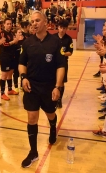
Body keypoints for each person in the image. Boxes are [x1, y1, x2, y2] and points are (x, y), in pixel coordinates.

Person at [19, 10, 65, 168]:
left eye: (37, 20)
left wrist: (58, 87)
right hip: (31, 86)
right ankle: (33, 152)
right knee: (32, 118)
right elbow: (21, 63)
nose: (34, 24)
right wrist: (23, 77)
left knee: (50, 114)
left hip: (48, 87)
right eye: (32, 21)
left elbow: (61, 66)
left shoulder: (55, 42)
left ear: (45, 22)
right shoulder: (27, 42)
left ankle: (53, 126)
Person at [53, 20, 73, 108]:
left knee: (60, 82)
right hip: (52, 64)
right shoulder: (52, 38)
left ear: (66, 29)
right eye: (61, 28)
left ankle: (59, 100)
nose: (62, 30)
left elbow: (70, 52)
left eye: (64, 28)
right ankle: (53, 98)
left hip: (63, 63)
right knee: (52, 81)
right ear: (58, 27)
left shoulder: (69, 39)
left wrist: (62, 54)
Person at [0, 18, 20, 100]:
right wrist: (13, 42)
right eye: (7, 23)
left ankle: (10, 89)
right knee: (4, 75)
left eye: (10, 23)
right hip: (5, 57)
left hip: (12, 56)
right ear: (4, 24)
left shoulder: (12, 33)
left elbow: (14, 42)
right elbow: (4, 44)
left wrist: (16, 41)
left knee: (10, 72)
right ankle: (2, 93)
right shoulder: (2, 33)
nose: (9, 25)